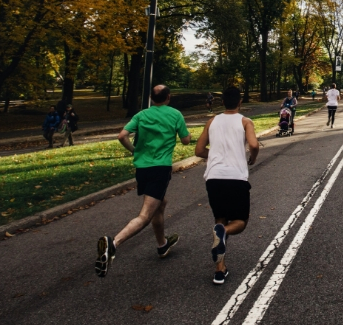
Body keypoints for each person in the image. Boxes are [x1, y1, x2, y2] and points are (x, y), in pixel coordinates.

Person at [95, 85, 191, 277]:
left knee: (160, 204)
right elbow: (186, 141)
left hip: (142, 168)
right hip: (160, 168)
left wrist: (134, 150)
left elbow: (122, 135)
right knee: (145, 215)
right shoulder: (175, 114)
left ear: (151, 98)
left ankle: (162, 245)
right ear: (168, 97)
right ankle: (113, 244)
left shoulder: (141, 115)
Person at [195, 86, 261, 285]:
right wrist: (252, 158)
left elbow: (198, 150)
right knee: (239, 222)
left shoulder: (211, 121)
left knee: (220, 220)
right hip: (236, 177)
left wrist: (214, 156)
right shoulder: (245, 121)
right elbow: (254, 145)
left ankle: (219, 269)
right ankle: (224, 234)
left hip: (214, 178)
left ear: (222, 102)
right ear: (240, 102)